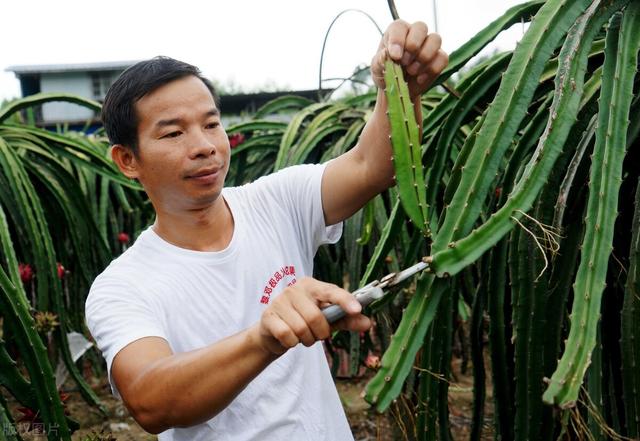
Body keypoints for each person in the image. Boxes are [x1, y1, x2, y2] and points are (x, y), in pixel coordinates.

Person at [85, 19, 447, 441]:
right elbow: (151, 400)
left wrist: (397, 89)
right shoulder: (122, 287)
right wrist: (263, 337)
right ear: (128, 160)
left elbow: (372, 168)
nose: (204, 145)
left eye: (211, 123)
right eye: (174, 132)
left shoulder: (277, 202)